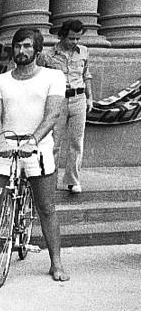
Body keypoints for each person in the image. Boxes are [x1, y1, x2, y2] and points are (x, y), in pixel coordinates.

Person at [0, 28, 69, 282]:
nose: (21, 51)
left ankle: (56, 263)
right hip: (8, 147)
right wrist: (0, 140)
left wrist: (33, 141)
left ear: (37, 49)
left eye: (27, 46)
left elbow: (53, 114)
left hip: (37, 147)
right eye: (18, 46)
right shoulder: (0, 81)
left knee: (46, 208)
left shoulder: (53, 77)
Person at [38, 18, 94, 194]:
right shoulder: (48, 55)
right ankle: (49, 180)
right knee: (53, 142)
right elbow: (40, 79)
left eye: (78, 38)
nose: (75, 42)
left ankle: (73, 180)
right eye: (71, 38)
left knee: (76, 142)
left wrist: (90, 98)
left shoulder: (84, 52)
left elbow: (87, 75)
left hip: (79, 98)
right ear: (62, 36)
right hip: (58, 100)